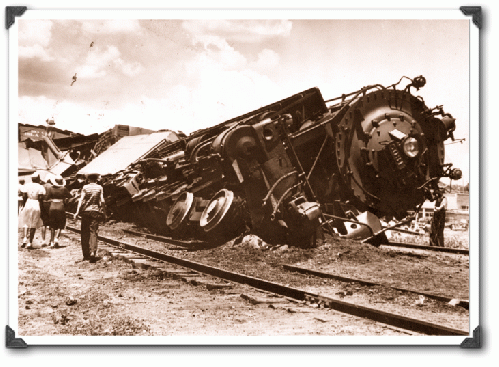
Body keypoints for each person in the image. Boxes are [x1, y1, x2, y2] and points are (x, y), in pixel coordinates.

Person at [74, 173, 106, 262]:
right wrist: (104, 212)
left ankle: (86, 255)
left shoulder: (85, 187)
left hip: (86, 212)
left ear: (88, 180)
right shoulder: (100, 187)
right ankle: (93, 252)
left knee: (84, 233)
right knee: (94, 232)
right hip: (95, 212)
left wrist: (77, 212)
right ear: (96, 179)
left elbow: (81, 200)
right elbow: (102, 201)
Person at [18, 173, 46, 249]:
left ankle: (24, 239)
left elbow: (24, 196)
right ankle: (30, 242)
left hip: (28, 203)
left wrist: (23, 205)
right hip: (36, 203)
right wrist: (42, 207)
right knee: (33, 223)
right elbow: (40, 198)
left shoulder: (26, 185)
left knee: (26, 221)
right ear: (38, 179)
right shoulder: (40, 187)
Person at [46, 177, 72, 248]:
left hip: (52, 206)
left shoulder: (51, 188)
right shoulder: (64, 189)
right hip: (61, 206)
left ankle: (51, 241)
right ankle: (56, 238)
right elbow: (70, 196)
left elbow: (47, 198)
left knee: (52, 224)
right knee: (61, 223)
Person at [40, 177, 53, 247]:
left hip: (43, 204)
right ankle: (51, 240)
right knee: (52, 223)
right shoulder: (52, 187)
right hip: (51, 204)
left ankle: (43, 240)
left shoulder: (42, 186)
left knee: (44, 223)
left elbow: (40, 197)